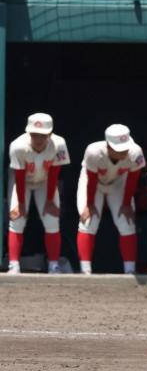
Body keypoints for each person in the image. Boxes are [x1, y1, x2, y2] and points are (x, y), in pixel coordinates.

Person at [77, 124, 145, 274]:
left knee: (127, 222)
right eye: (119, 149)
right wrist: (90, 204)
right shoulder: (93, 151)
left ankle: (130, 271)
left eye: (125, 147)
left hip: (118, 182)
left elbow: (133, 180)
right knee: (88, 221)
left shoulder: (135, 152)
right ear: (108, 146)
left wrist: (126, 204)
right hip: (93, 183)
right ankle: (85, 271)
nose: (124, 152)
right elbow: (92, 180)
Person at [7, 113, 70, 274]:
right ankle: (13, 265)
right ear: (28, 132)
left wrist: (50, 201)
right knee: (17, 219)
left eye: (43, 135)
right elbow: (19, 176)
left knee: (51, 219)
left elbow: (55, 172)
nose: (39, 139)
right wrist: (21, 204)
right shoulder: (18, 146)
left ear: (50, 134)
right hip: (22, 181)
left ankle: (53, 265)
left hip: (45, 180)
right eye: (35, 135)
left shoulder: (59, 144)